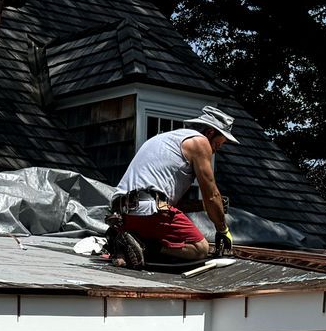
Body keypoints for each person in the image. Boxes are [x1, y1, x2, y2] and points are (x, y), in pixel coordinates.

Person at [102, 107, 238, 269]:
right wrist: (222, 229)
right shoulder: (200, 142)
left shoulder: (165, 139)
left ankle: (126, 241)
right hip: (149, 211)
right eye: (218, 143)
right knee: (200, 249)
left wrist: (202, 206)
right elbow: (211, 195)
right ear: (209, 132)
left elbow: (169, 204)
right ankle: (144, 246)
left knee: (163, 226)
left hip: (122, 212)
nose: (216, 149)